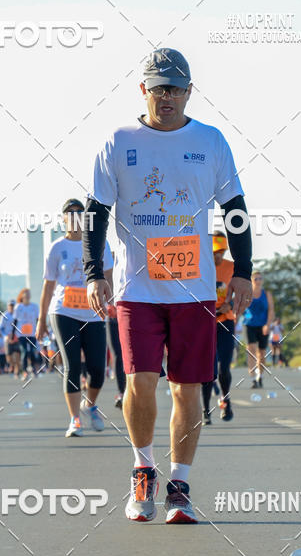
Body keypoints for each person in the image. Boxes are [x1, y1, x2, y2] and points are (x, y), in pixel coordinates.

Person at [83, 47, 252, 523]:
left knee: (186, 389)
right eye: (159, 89)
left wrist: (242, 269)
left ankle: (179, 485)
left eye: (176, 89)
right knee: (139, 382)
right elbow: (96, 213)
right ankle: (143, 469)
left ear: (189, 91)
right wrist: (93, 273)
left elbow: (235, 209)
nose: (168, 97)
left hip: (193, 290)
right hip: (136, 289)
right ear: (144, 90)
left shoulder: (211, 141)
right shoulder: (118, 141)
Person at [37, 198, 113, 437]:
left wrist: (111, 304)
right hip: (64, 311)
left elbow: (108, 278)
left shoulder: (100, 243)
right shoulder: (56, 248)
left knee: (98, 369)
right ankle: (74, 419)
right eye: (70, 213)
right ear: (63, 219)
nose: (75, 216)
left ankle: (89, 405)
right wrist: (41, 320)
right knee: (72, 366)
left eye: (80, 212)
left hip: (94, 312)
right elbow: (48, 286)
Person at [201, 232, 238, 424]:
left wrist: (229, 305)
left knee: (224, 368)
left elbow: (241, 294)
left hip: (225, 321)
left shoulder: (231, 267)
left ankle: (225, 400)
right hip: (205, 323)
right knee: (208, 369)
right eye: (216, 252)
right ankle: (206, 410)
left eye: (222, 252)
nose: (218, 256)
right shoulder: (200, 266)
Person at [244, 270, 275, 388]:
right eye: (256, 279)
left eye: (260, 278)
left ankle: (260, 376)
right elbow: (241, 308)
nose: (258, 281)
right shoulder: (247, 293)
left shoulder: (266, 294)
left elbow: (271, 310)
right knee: (251, 349)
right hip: (249, 325)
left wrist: (268, 324)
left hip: (263, 326)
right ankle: (253, 378)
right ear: (251, 280)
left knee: (261, 353)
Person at [14, 288, 39, 378]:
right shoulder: (18, 307)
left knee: (32, 351)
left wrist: (39, 331)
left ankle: (33, 369)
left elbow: (38, 320)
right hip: (21, 334)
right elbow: (15, 321)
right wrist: (13, 334)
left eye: (29, 293)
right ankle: (24, 371)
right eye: (26, 293)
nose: (28, 295)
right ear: (22, 296)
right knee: (24, 351)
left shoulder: (35, 306)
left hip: (32, 333)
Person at [0, 300, 20, 376]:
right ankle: (12, 365)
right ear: (8, 306)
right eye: (10, 305)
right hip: (7, 339)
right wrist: (5, 336)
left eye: (13, 306)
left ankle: (17, 371)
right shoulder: (4, 315)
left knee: (17, 355)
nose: (11, 307)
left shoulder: (18, 315)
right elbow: (0, 328)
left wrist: (17, 335)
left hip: (16, 338)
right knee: (8, 357)